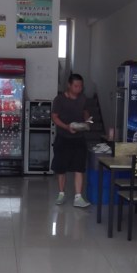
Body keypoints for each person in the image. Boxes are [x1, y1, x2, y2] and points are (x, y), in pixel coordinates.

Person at [51, 73, 91, 207]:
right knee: (61, 168)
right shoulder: (59, 100)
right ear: (69, 85)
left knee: (79, 168)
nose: (78, 89)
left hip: (79, 139)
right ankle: (61, 194)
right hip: (63, 138)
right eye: (76, 86)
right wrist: (66, 127)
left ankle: (78, 197)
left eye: (81, 86)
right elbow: (54, 117)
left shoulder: (83, 98)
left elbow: (86, 111)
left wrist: (87, 121)